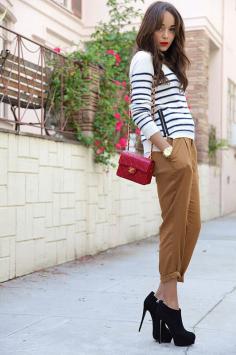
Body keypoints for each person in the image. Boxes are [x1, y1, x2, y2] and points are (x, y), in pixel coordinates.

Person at [129, 1, 201, 347]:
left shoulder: (167, 63)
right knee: (174, 226)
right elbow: (139, 108)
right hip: (171, 150)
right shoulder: (144, 58)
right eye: (162, 28)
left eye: (173, 30)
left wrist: (185, 146)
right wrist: (167, 147)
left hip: (185, 148)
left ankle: (159, 300)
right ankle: (170, 305)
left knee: (192, 224)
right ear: (150, 27)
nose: (167, 36)